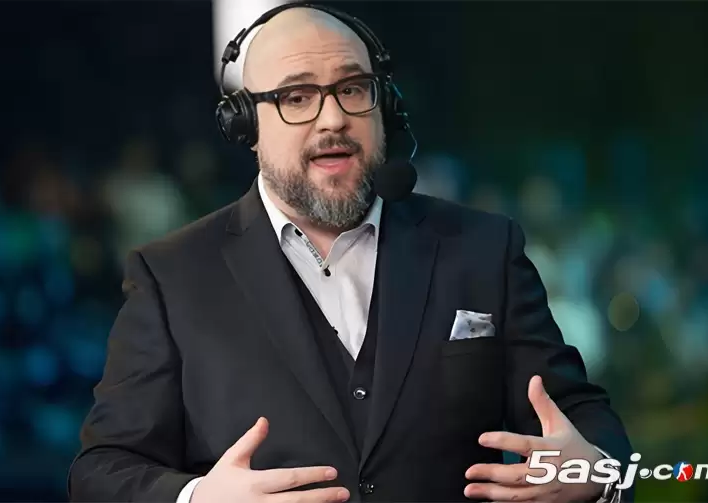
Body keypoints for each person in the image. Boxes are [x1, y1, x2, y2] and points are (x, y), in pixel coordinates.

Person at [68, 4, 633, 502]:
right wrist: (195, 499)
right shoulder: (172, 275)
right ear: (246, 125)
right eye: (297, 97)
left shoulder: (483, 249)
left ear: (384, 107)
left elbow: (580, 417)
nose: (334, 118)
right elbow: (101, 472)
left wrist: (597, 476)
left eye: (353, 89)